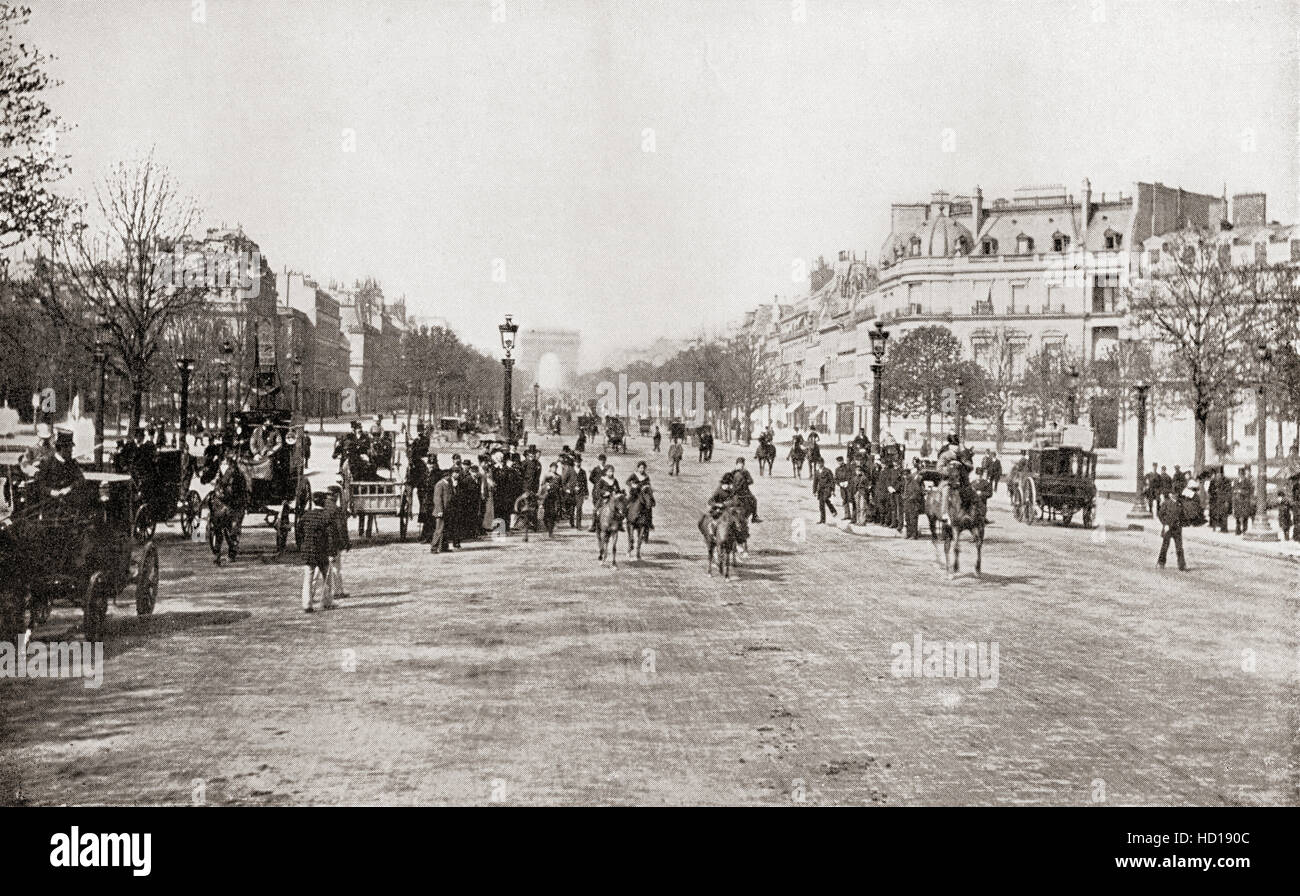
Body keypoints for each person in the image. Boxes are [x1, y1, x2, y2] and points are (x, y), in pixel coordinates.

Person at [298, 492, 334, 612]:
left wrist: (303, 545)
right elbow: (330, 537)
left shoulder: (306, 516)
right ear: (324, 501)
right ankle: (327, 602)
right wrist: (331, 553)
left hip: (309, 552)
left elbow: (299, 532)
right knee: (327, 578)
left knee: (308, 578)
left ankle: (307, 604)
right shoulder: (326, 517)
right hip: (322, 551)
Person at [325, 485, 350, 600]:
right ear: (336, 496)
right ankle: (338, 591)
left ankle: (312, 593)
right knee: (336, 569)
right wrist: (346, 542)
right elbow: (341, 528)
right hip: (333, 543)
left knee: (317, 570)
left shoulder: (323, 507)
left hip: (322, 542)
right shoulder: (336, 509)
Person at [430, 466, 460, 553]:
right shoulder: (440, 484)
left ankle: (444, 547)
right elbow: (437, 499)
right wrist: (439, 511)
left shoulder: (448, 484)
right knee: (439, 530)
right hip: (441, 511)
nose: (450, 476)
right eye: (448, 475)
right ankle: (434, 547)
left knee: (445, 530)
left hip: (447, 511)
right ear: (445, 476)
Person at [1157, 490, 1187, 571]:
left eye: (1177, 494)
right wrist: (1164, 523)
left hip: (1177, 528)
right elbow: (1160, 514)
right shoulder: (1166, 503)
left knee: (1179, 547)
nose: (1176, 495)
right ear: (1171, 495)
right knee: (1165, 546)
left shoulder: (1180, 504)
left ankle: (1181, 565)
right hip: (1168, 528)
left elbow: (1183, 515)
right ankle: (1161, 562)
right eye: (1174, 494)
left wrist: (1182, 523)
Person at [730, 457, 760, 523]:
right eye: (739, 463)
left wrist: (745, 482)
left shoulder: (743, 472)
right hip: (739, 491)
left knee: (754, 500)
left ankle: (754, 517)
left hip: (741, 491)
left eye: (741, 464)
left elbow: (751, 481)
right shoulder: (735, 472)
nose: (740, 465)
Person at [1232, 466, 1255, 535]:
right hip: (1237, 501)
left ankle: (1245, 530)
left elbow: (1250, 491)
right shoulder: (1235, 481)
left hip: (1244, 501)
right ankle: (1238, 529)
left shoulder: (1247, 481)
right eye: (1239, 474)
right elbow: (1233, 490)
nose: (1240, 475)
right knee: (1237, 516)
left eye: (1242, 474)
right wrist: (1235, 492)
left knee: (1245, 517)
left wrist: (1241, 491)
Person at [812, 459, 837, 524]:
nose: (819, 465)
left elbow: (832, 481)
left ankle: (833, 511)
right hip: (820, 490)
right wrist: (814, 491)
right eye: (817, 463)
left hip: (827, 488)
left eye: (820, 463)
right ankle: (822, 520)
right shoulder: (816, 472)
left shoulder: (827, 471)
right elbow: (815, 482)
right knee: (821, 505)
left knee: (825, 498)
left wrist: (833, 490)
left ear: (823, 463)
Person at [902, 466, 924, 539]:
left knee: (913, 520)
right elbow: (904, 491)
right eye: (904, 475)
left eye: (906, 475)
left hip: (913, 504)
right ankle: (908, 534)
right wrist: (904, 496)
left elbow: (917, 492)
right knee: (907, 519)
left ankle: (914, 535)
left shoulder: (914, 482)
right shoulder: (906, 482)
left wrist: (910, 498)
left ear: (909, 474)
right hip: (907, 504)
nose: (905, 476)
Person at [834, 456, 854, 521]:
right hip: (842, 487)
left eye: (840, 461)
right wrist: (839, 483)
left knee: (851, 499)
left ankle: (854, 516)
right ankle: (847, 515)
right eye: (838, 461)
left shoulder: (848, 467)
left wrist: (847, 482)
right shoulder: (837, 469)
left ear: (843, 461)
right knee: (844, 499)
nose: (839, 462)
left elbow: (851, 476)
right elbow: (835, 479)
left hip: (849, 486)